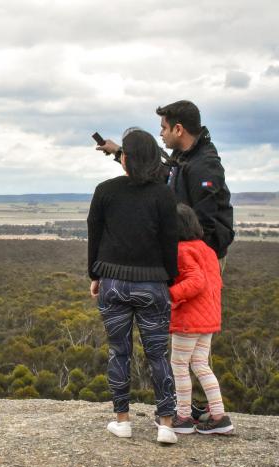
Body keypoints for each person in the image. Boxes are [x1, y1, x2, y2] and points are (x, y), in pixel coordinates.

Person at [88, 128, 179, 445]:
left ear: (124, 157)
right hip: (153, 283)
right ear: (153, 159)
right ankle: (166, 424)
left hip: (112, 281)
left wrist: (94, 275)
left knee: (119, 352)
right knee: (158, 355)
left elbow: (95, 237)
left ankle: (122, 420)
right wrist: (169, 278)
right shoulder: (164, 195)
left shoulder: (105, 191)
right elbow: (171, 243)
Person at [96, 100, 234, 270]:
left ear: (178, 129)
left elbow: (203, 223)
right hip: (188, 252)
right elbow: (160, 173)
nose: (161, 133)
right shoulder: (184, 155)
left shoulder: (204, 166)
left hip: (201, 257)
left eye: (164, 128)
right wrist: (120, 152)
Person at [166, 204, 234, 435]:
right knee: (200, 365)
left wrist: (169, 296)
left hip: (189, 319)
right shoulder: (206, 250)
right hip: (208, 318)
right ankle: (219, 416)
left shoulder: (181, 250)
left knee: (179, 365)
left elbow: (196, 282)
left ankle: (183, 416)